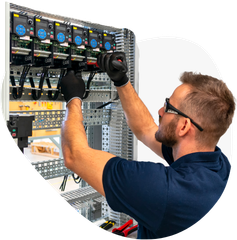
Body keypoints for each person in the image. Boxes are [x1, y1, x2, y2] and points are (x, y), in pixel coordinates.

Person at [60, 52, 236, 239]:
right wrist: (121, 81)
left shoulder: (166, 191)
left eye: (168, 106)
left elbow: (74, 155)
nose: (160, 111)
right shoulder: (219, 165)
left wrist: (73, 99)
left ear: (184, 126)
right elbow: (146, 129)